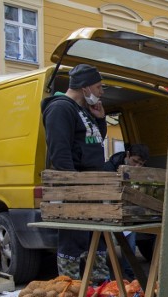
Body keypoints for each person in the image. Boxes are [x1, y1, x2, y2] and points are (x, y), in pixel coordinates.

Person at [41, 64, 110, 282]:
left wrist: (100, 119)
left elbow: (94, 141)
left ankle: (99, 291)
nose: (101, 91)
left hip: (91, 191)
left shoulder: (84, 111)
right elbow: (60, 154)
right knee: (74, 242)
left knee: (95, 241)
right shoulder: (61, 108)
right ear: (85, 87)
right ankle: (70, 292)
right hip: (77, 193)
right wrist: (74, 191)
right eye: (98, 87)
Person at [104, 144, 150, 279]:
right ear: (128, 155)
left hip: (128, 212)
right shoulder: (109, 167)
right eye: (135, 161)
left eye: (140, 164)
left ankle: (129, 276)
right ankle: (107, 279)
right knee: (104, 246)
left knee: (130, 244)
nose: (137, 166)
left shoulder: (142, 172)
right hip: (109, 211)